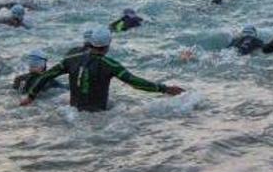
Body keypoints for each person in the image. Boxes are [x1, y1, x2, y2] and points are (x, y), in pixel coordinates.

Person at [20, 28, 184, 111]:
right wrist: (164, 89)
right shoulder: (110, 64)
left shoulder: (70, 60)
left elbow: (46, 76)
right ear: (107, 46)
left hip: (72, 113)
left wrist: (30, 97)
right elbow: (134, 82)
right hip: (99, 116)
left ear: (90, 43)